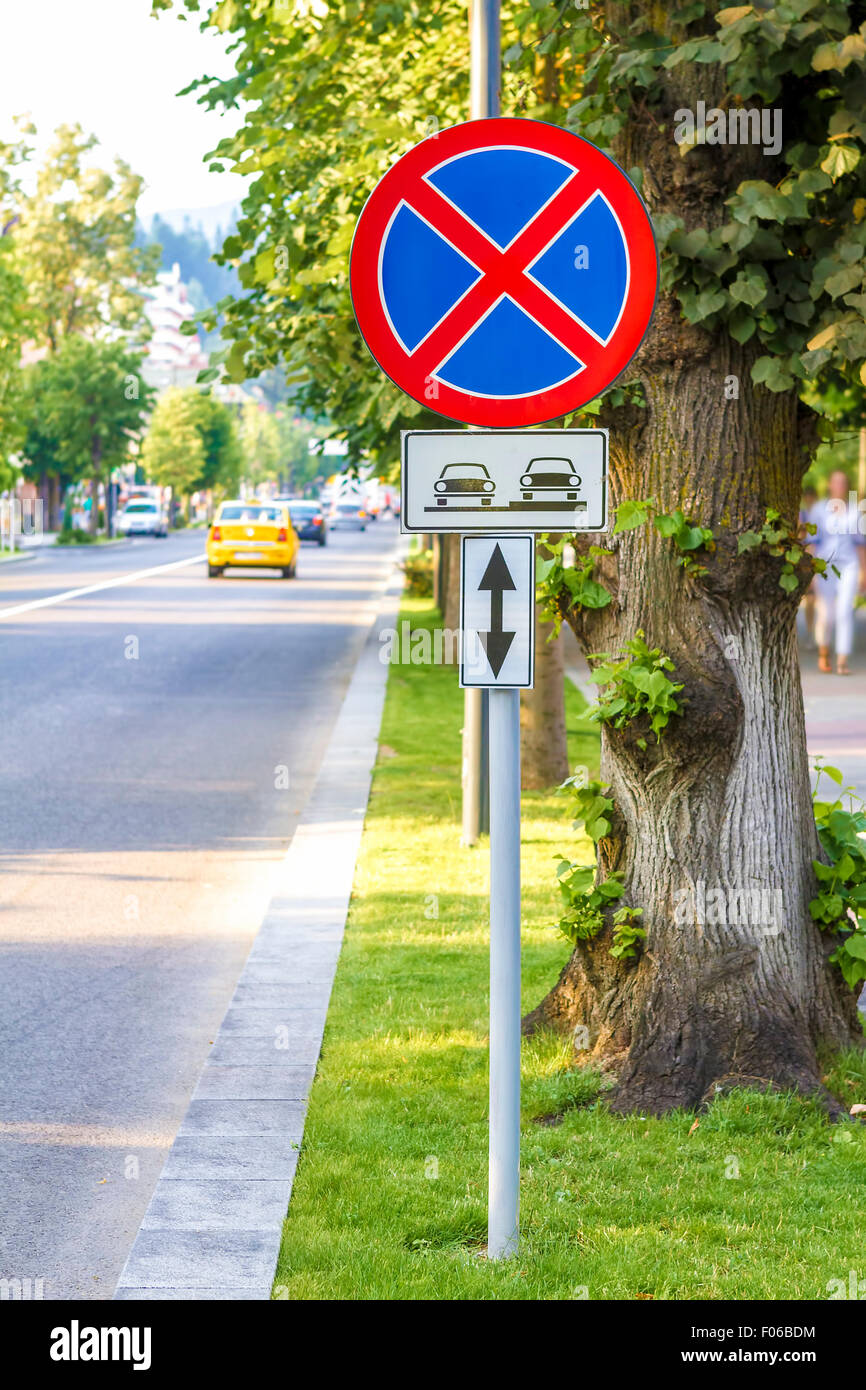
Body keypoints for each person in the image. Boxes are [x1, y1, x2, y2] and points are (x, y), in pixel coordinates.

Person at [806, 470, 866, 675]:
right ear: (830, 485)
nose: (839, 486)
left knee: (845, 611)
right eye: (836, 482)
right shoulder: (818, 510)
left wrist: (864, 573)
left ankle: (842, 659)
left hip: (849, 565)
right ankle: (823, 653)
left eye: (843, 482)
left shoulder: (855, 511)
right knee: (826, 613)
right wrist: (810, 572)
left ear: (846, 486)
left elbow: (860, 544)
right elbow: (811, 543)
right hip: (824, 565)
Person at [799, 485, 818, 648]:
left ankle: (812, 633)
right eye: (807, 497)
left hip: (816, 560)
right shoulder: (801, 515)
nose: (809, 500)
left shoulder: (821, 516)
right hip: (802, 561)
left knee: (812, 600)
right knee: (805, 599)